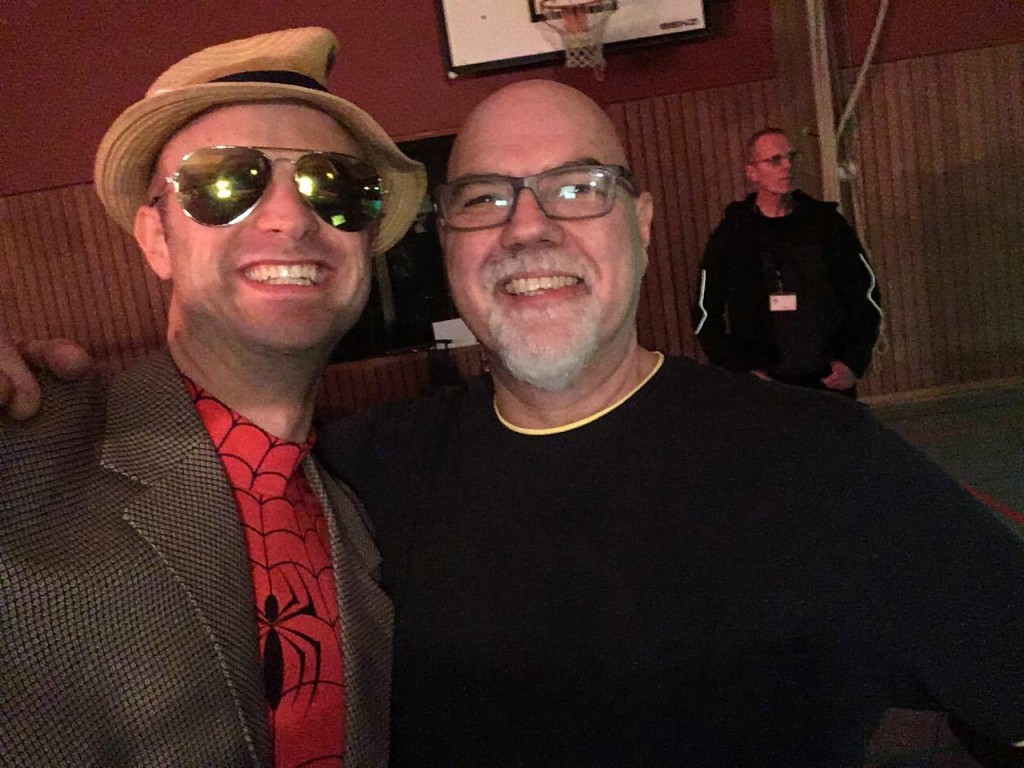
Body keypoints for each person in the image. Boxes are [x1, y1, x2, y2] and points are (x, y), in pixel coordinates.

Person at [5, 81, 1024, 767]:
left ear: (643, 223)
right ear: (447, 245)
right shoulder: (366, 468)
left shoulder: (825, 465)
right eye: (486, 198)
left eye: (578, 188)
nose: (528, 227)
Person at [0, 27, 425, 767]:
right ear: (155, 240)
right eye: (226, 182)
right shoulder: (25, 454)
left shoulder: (362, 516)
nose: (290, 217)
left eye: (335, 186)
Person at [693, 127, 883, 397]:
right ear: (752, 172)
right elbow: (704, 311)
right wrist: (739, 371)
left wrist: (853, 360)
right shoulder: (733, 234)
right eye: (775, 160)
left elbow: (866, 294)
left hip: (828, 380)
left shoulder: (826, 224)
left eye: (791, 158)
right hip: (766, 386)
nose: (787, 166)